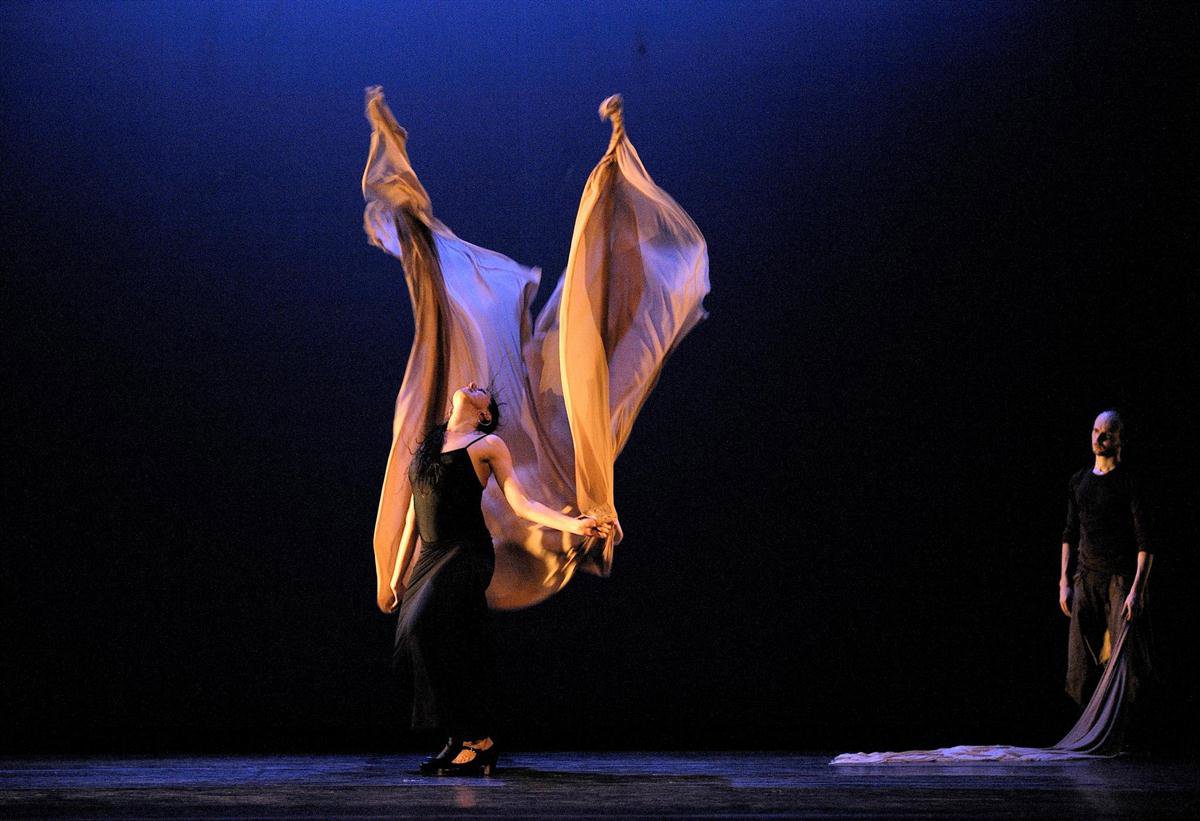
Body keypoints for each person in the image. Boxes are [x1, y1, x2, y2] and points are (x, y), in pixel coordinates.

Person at [386, 381, 610, 776]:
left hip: (465, 552)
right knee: (423, 641)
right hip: (431, 557)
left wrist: (574, 526)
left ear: (485, 415)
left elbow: (522, 504)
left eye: (482, 392)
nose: (473, 384)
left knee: (426, 629)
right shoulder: (429, 447)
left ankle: (478, 741)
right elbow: (411, 517)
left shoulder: (487, 445)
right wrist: (397, 573)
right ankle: (461, 739)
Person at [1059, 409, 1154, 707]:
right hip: (1086, 577)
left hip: (1119, 579)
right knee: (1080, 664)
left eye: (1107, 434)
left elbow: (1145, 542)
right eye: (1096, 431)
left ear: (1119, 439)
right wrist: (1064, 581)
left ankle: (1125, 724)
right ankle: (1085, 725)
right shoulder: (1079, 481)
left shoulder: (1129, 482)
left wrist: (1136, 590)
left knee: (1127, 661)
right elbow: (1069, 533)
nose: (1099, 438)